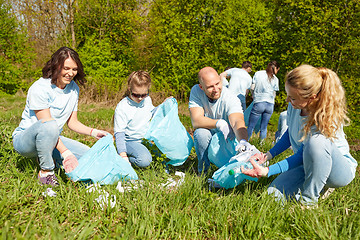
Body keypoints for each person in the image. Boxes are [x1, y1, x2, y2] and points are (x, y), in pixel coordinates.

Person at [242, 65, 358, 206]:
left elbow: (300, 154)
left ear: (312, 98)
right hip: (306, 164)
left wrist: (267, 171)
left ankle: (309, 201)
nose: (287, 101)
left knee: (317, 142)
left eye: (292, 98)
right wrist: (268, 155)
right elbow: (290, 134)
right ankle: (314, 184)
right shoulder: (295, 106)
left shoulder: (324, 117)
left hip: (336, 171)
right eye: (288, 96)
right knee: (272, 197)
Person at [12, 47, 108, 186]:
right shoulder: (40, 88)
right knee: (50, 125)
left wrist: (94, 132)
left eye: (74, 69)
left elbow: (72, 122)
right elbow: (47, 126)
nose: (70, 73)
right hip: (26, 142)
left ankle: (49, 156)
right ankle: (46, 172)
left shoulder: (74, 88)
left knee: (88, 155)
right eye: (66, 68)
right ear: (57, 66)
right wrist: (66, 153)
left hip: (53, 139)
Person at [189, 66, 250, 174]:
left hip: (226, 137)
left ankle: (225, 171)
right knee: (200, 133)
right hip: (209, 131)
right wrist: (219, 123)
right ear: (201, 87)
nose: (216, 89)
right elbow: (196, 121)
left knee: (231, 160)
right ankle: (203, 171)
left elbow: (237, 121)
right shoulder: (196, 91)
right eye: (210, 87)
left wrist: (243, 142)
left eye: (217, 84)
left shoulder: (230, 98)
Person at [114, 71, 157, 168]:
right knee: (144, 160)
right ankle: (120, 158)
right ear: (130, 89)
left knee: (164, 155)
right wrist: (123, 155)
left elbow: (152, 112)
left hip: (145, 140)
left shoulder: (147, 100)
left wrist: (164, 106)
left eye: (144, 94)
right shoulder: (123, 107)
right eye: (136, 95)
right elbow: (119, 134)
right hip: (129, 141)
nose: (140, 98)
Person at [247, 60, 280, 141]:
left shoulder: (258, 73)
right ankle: (262, 144)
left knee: (251, 126)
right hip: (270, 104)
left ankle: (245, 142)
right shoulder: (276, 79)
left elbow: (252, 87)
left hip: (259, 102)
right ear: (276, 68)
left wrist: (253, 95)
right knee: (264, 127)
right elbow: (274, 93)